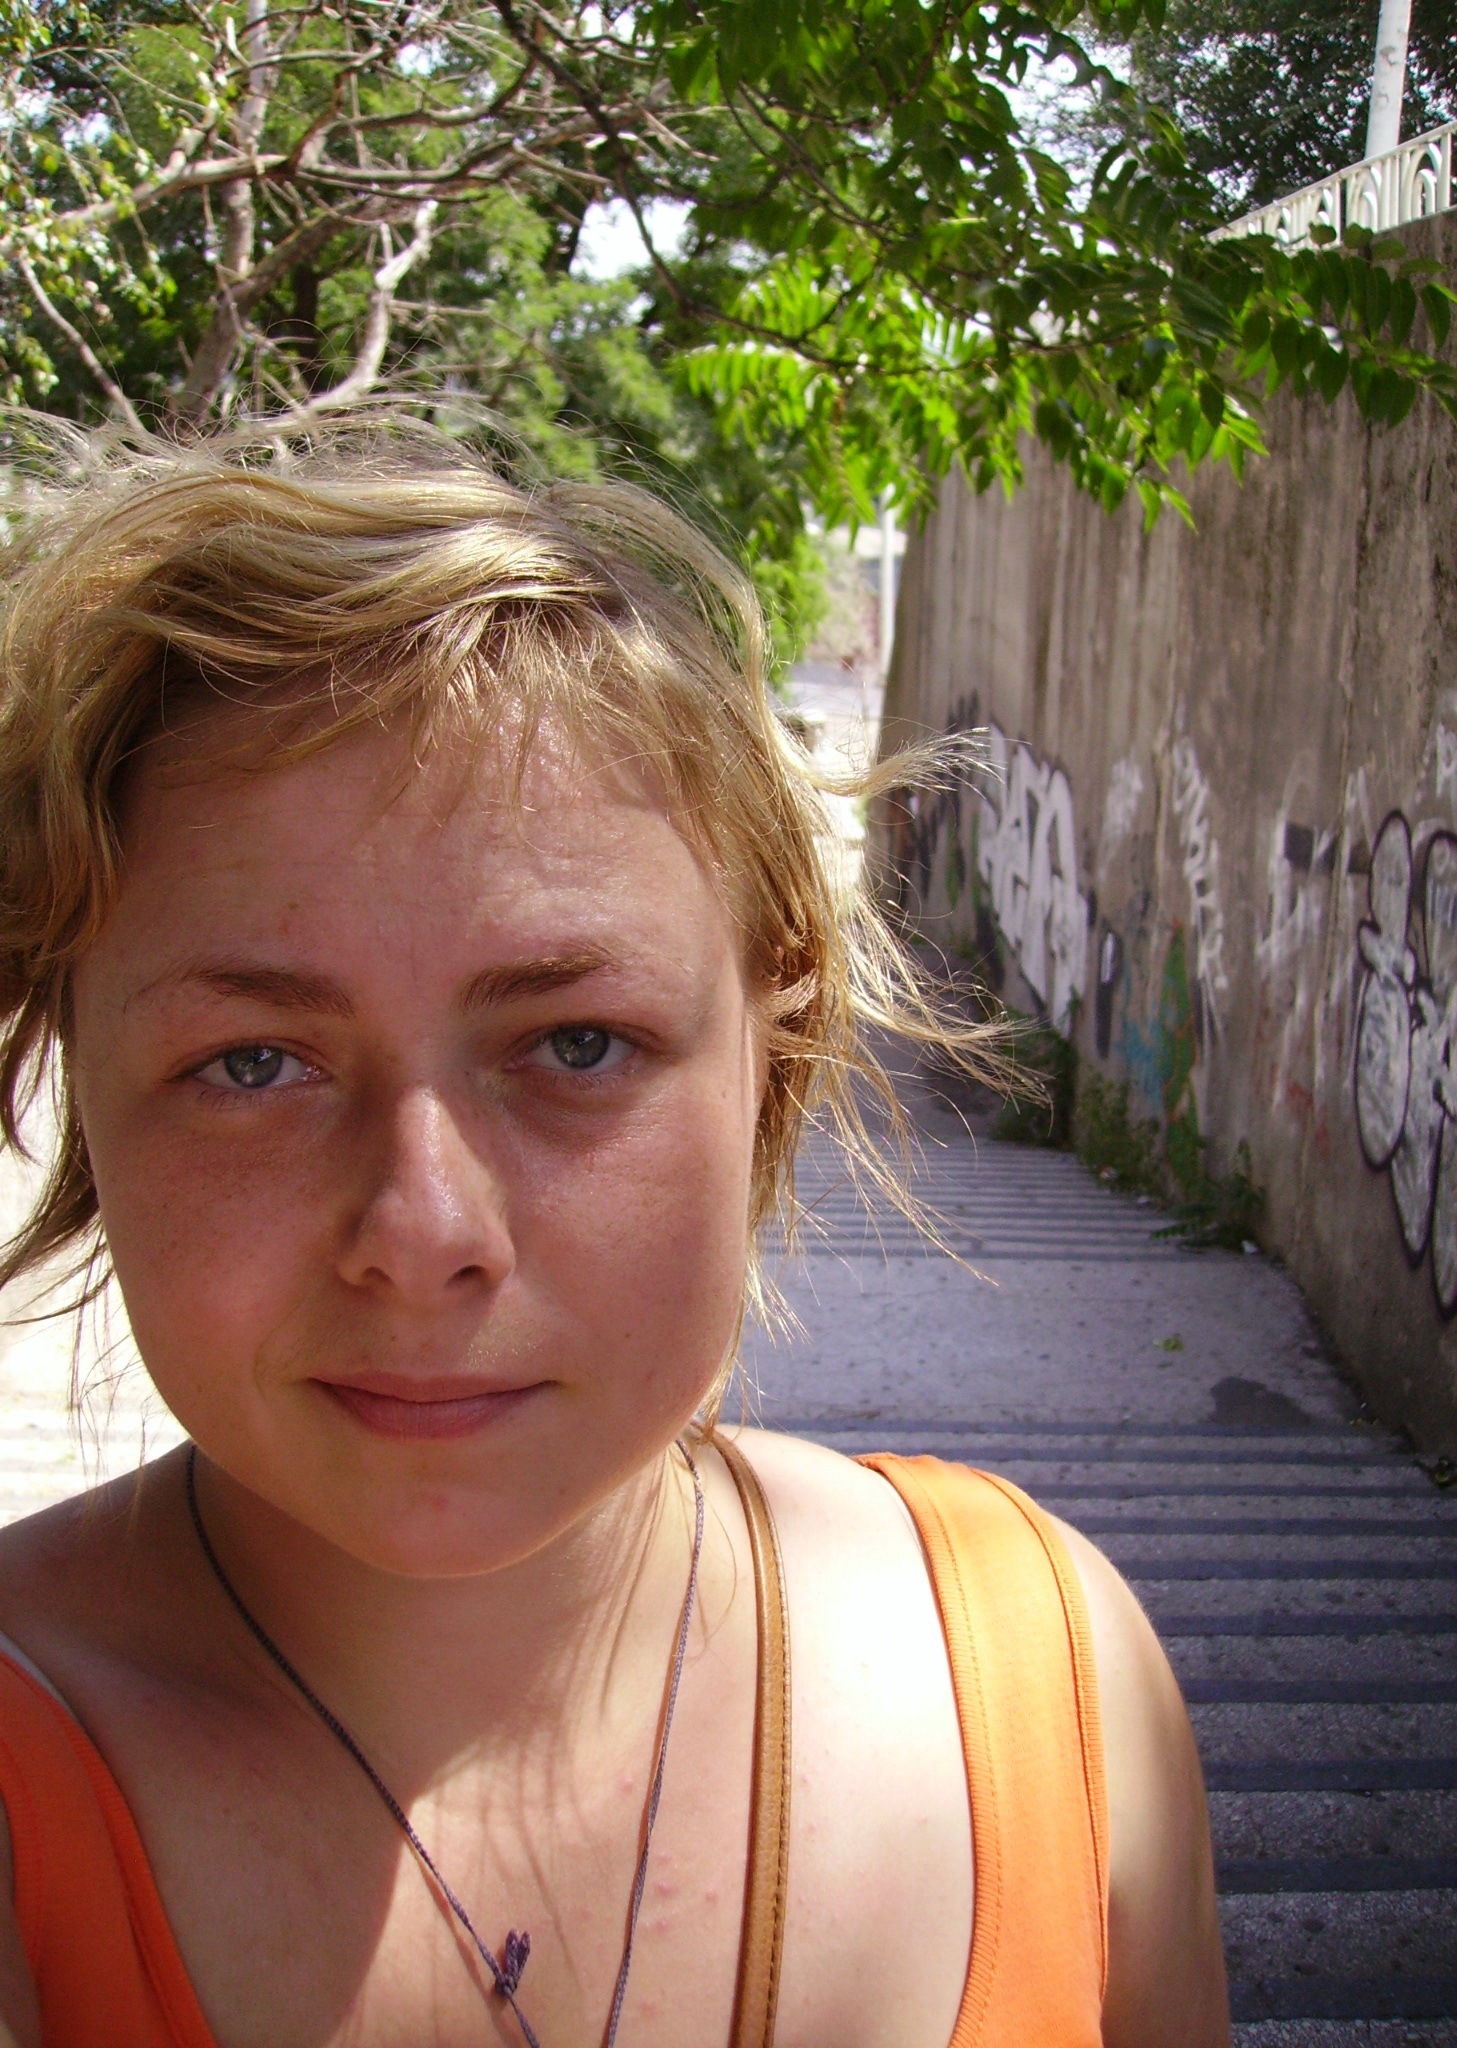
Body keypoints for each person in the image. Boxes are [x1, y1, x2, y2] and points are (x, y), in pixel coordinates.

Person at [0, 417, 1229, 2048]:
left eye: (575, 1045)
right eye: (253, 1064)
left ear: (774, 1044)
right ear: (81, 1080)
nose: (423, 1231)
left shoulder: (1052, 1680)